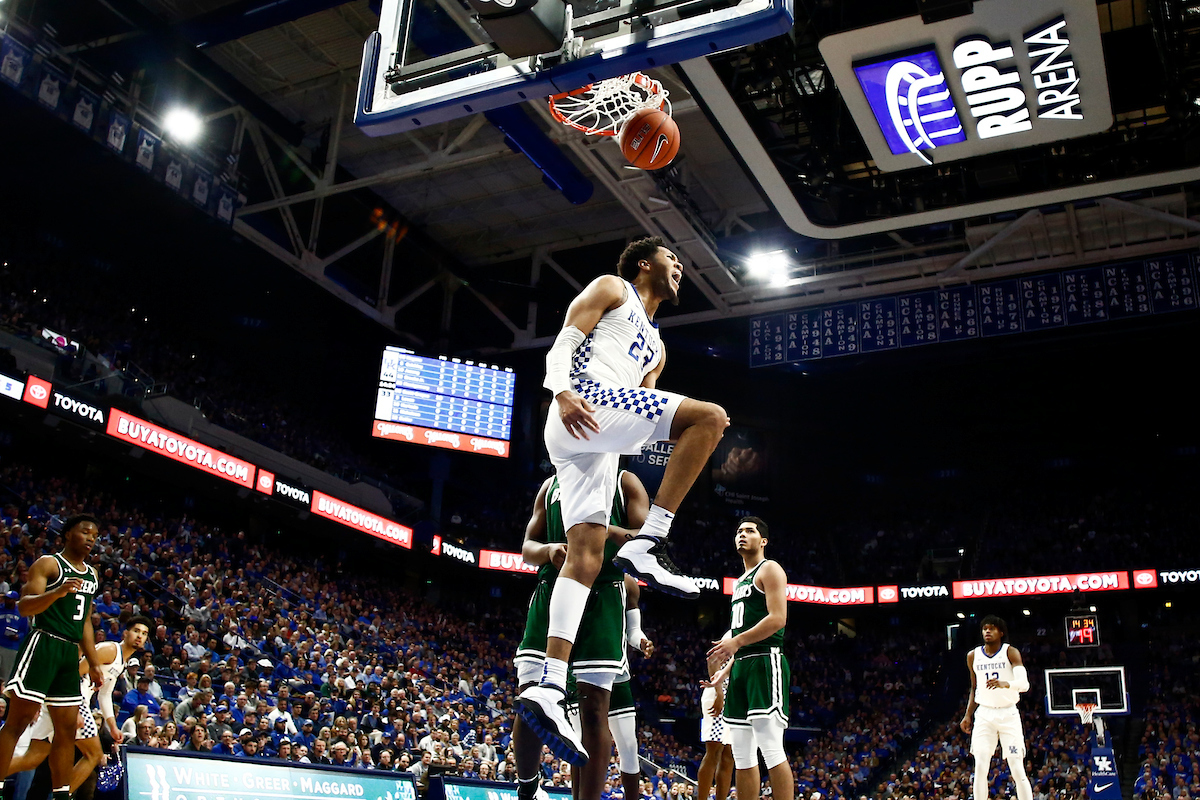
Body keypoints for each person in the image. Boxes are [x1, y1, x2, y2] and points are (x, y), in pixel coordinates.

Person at [519, 236, 730, 765]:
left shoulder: (657, 347)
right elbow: (564, 341)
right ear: (644, 264)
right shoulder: (613, 288)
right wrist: (560, 391)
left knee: (585, 557)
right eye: (671, 258)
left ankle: (549, 683)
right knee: (712, 417)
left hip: (601, 437)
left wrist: (675, 445)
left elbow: (646, 411)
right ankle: (649, 542)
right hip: (582, 402)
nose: (679, 266)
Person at [513, 469, 649, 796]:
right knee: (530, 695)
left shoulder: (625, 482)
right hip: (552, 589)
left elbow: (648, 540)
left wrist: (603, 530)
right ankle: (527, 787)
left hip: (603, 594)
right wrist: (547, 551)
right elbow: (527, 548)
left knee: (594, 708)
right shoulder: (550, 486)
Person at [0, 514, 104, 800]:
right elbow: (25, 607)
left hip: (69, 653)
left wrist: (94, 662)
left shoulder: (91, 575)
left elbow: (84, 621)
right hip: (43, 642)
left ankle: (60, 795)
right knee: (17, 721)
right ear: (68, 533)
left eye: (95, 535)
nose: (91, 539)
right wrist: (57, 592)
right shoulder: (49, 564)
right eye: (85, 532)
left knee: (67, 729)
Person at [4, 615, 151, 793]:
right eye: (136, 631)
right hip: (70, 699)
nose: (139, 636)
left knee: (33, 758)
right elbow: (72, 673)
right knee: (94, 754)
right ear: (126, 633)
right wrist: (73, 708)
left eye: (144, 633)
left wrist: (112, 726)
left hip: (66, 701)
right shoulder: (109, 650)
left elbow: (104, 694)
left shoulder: (121, 661)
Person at [706, 517, 794, 800]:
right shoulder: (740, 580)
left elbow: (778, 618)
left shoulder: (770, 569)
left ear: (763, 540)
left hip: (765, 663)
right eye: (738, 531)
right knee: (742, 754)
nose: (742, 535)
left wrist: (736, 642)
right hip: (742, 666)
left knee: (770, 748)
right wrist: (726, 669)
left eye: (749, 531)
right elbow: (739, 638)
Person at [959, 616, 1033, 800]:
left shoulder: (1011, 652)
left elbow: (1024, 685)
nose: (987, 631)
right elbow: (975, 688)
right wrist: (968, 715)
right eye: (985, 628)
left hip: (1008, 713)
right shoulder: (973, 655)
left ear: (1001, 632)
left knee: (1017, 767)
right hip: (984, 713)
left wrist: (1005, 683)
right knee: (981, 766)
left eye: (992, 628)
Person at [696, 653, 734, 800]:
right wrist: (719, 692)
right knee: (714, 750)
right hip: (720, 692)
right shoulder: (731, 635)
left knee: (729, 754)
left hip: (734, 695)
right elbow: (712, 660)